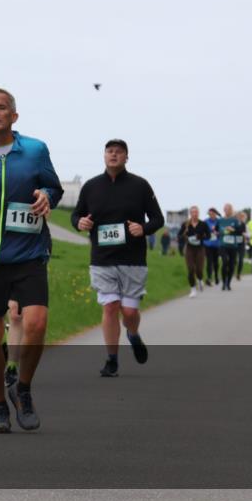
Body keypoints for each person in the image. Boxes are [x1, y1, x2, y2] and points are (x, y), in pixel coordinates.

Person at [0, 88, 62, 433]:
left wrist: (45, 196)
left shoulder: (35, 150)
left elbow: (54, 187)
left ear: (14, 116)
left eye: (2, 108)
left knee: (36, 323)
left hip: (29, 253)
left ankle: (22, 388)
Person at [71, 139, 163, 377]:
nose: (113, 155)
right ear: (104, 156)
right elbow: (76, 215)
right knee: (111, 307)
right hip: (102, 258)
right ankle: (112, 359)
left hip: (132, 259)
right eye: (109, 151)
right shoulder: (91, 186)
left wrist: (143, 229)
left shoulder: (140, 185)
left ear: (126, 157)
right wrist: (79, 223)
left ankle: (133, 335)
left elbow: (157, 219)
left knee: (129, 313)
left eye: (119, 152)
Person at [178, 206, 209, 297]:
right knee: (191, 269)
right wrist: (185, 236)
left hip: (200, 248)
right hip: (189, 249)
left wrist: (201, 237)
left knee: (199, 269)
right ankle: (193, 289)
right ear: (190, 214)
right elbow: (179, 235)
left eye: (196, 212)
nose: (194, 214)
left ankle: (200, 279)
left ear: (198, 213)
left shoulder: (203, 224)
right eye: (192, 212)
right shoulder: (186, 224)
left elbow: (209, 235)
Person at [216, 203, 245, 291]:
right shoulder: (220, 220)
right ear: (223, 210)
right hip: (223, 245)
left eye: (229, 209)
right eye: (225, 209)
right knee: (225, 262)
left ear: (231, 210)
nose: (227, 210)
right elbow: (216, 230)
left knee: (232, 265)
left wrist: (233, 230)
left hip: (233, 246)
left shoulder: (235, 220)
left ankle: (228, 283)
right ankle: (224, 282)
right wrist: (218, 232)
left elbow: (240, 231)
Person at [203, 207, 221, 287]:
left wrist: (218, 233)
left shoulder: (219, 221)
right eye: (210, 214)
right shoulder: (205, 222)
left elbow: (223, 230)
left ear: (216, 214)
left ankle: (216, 276)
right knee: (209, 262)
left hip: (217, 244)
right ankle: (209, 278)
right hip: (208, 244)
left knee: (216, 262)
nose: (211, 215)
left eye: (213, 214)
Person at [235, 211, 248, 281]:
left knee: (241, 259)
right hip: (234, 243)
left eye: (243, 217)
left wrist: (245, 236)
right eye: (240, 216)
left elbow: (247, 234)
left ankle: (238, 274)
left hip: (242, 244)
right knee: (233, 260)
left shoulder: (245, 225)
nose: (241, 218)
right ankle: (232, 272)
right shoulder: (234, 224)